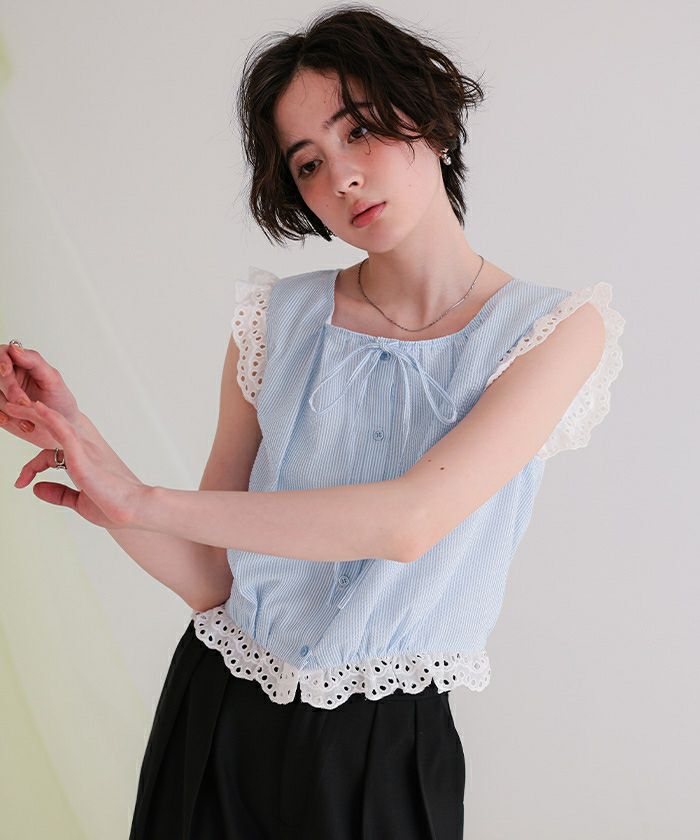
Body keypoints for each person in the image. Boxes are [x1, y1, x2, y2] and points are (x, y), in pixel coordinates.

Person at [0, 5, 626, 839]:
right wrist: (85, 446)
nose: (342, 178)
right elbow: (214, 577)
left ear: (432, 119)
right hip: (213, 719)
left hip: (382, 749)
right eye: (308, 163)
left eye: (359, 130)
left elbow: (408, 523)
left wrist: (142, 499)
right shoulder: (276, 321)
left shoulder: (552, 331)